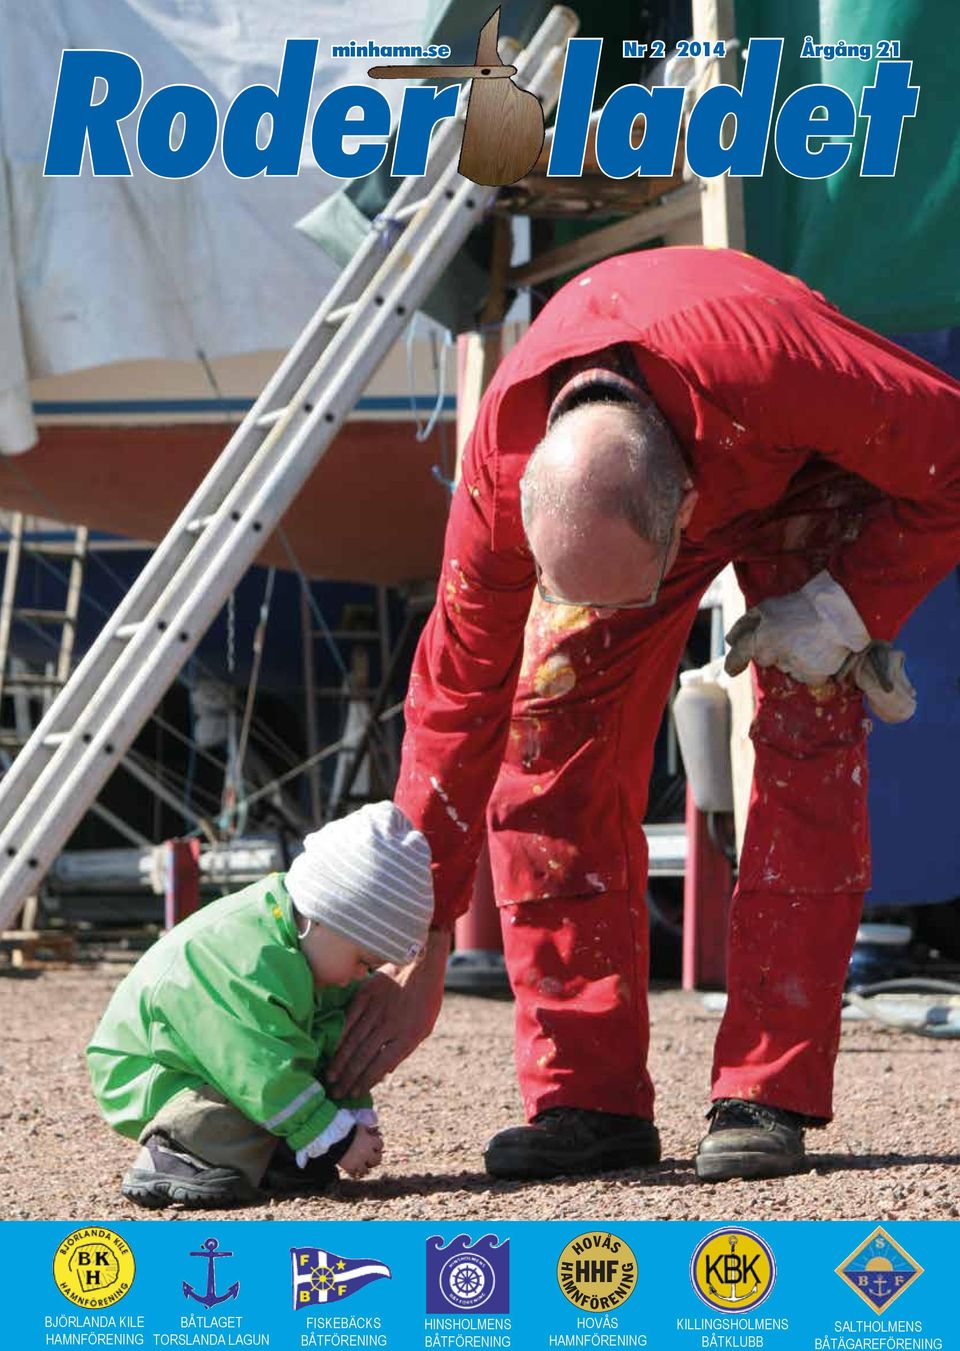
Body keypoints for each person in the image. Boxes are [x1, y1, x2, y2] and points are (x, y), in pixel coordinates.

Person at [327, 246, 960, 1184]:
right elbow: (455, 707)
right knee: (547, 728)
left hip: (802, 461)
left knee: (808, 722)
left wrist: (845, 610)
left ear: (689, 509)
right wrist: (419, 941)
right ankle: (587, 1097)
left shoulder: (790, 366)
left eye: (634, 596)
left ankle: (765, 1093)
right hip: (650, 483)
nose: (616, 628)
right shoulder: (501, 475)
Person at [87, 802, 433, 1207]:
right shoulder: (242, 956)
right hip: (151, 1069)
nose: (365, 976)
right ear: (323, 915)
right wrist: (334, 1137)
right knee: (263, 1077)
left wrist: (349, 1111)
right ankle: (180, 1150)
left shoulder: (308, 954)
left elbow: (331, 1039)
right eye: (364, 961)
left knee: (287, 1075)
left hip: (214, 1064)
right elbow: (257, 1062)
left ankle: (264, 1154)